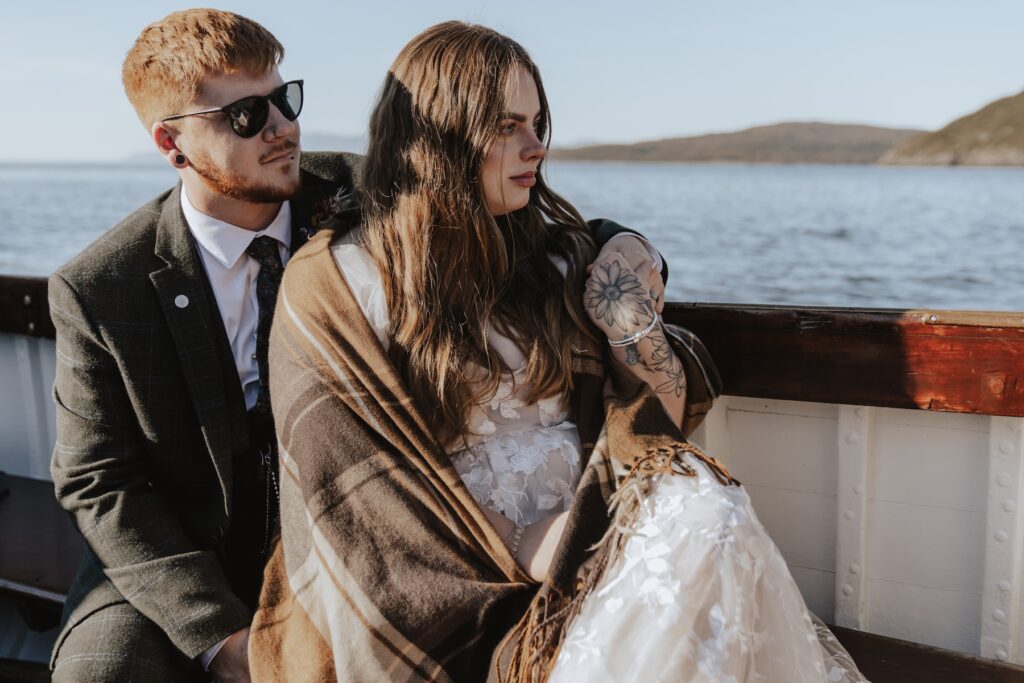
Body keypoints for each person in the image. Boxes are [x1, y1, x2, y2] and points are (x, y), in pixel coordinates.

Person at [250, 21, 867, 683]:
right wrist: (528, 544)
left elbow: (658, 413)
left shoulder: (555, 258)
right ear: (439, 133)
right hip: (454, 579)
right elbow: (361, 490)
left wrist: (625, 301)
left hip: (593, 527)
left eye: (538, 122)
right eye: (507, 125)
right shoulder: (341, 283)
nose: (536, 145)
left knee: (711, 509)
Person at [47, 9, 361, 682]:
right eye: (246, 116)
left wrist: (610, 243)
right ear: (172, 144)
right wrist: (221, 635)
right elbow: (98, 479)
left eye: (285, 99)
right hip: (179, 560)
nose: (282, 128)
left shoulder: (364, 197)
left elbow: (513, 215)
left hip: (349, 547)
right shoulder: (102, 287)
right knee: (101, 674)